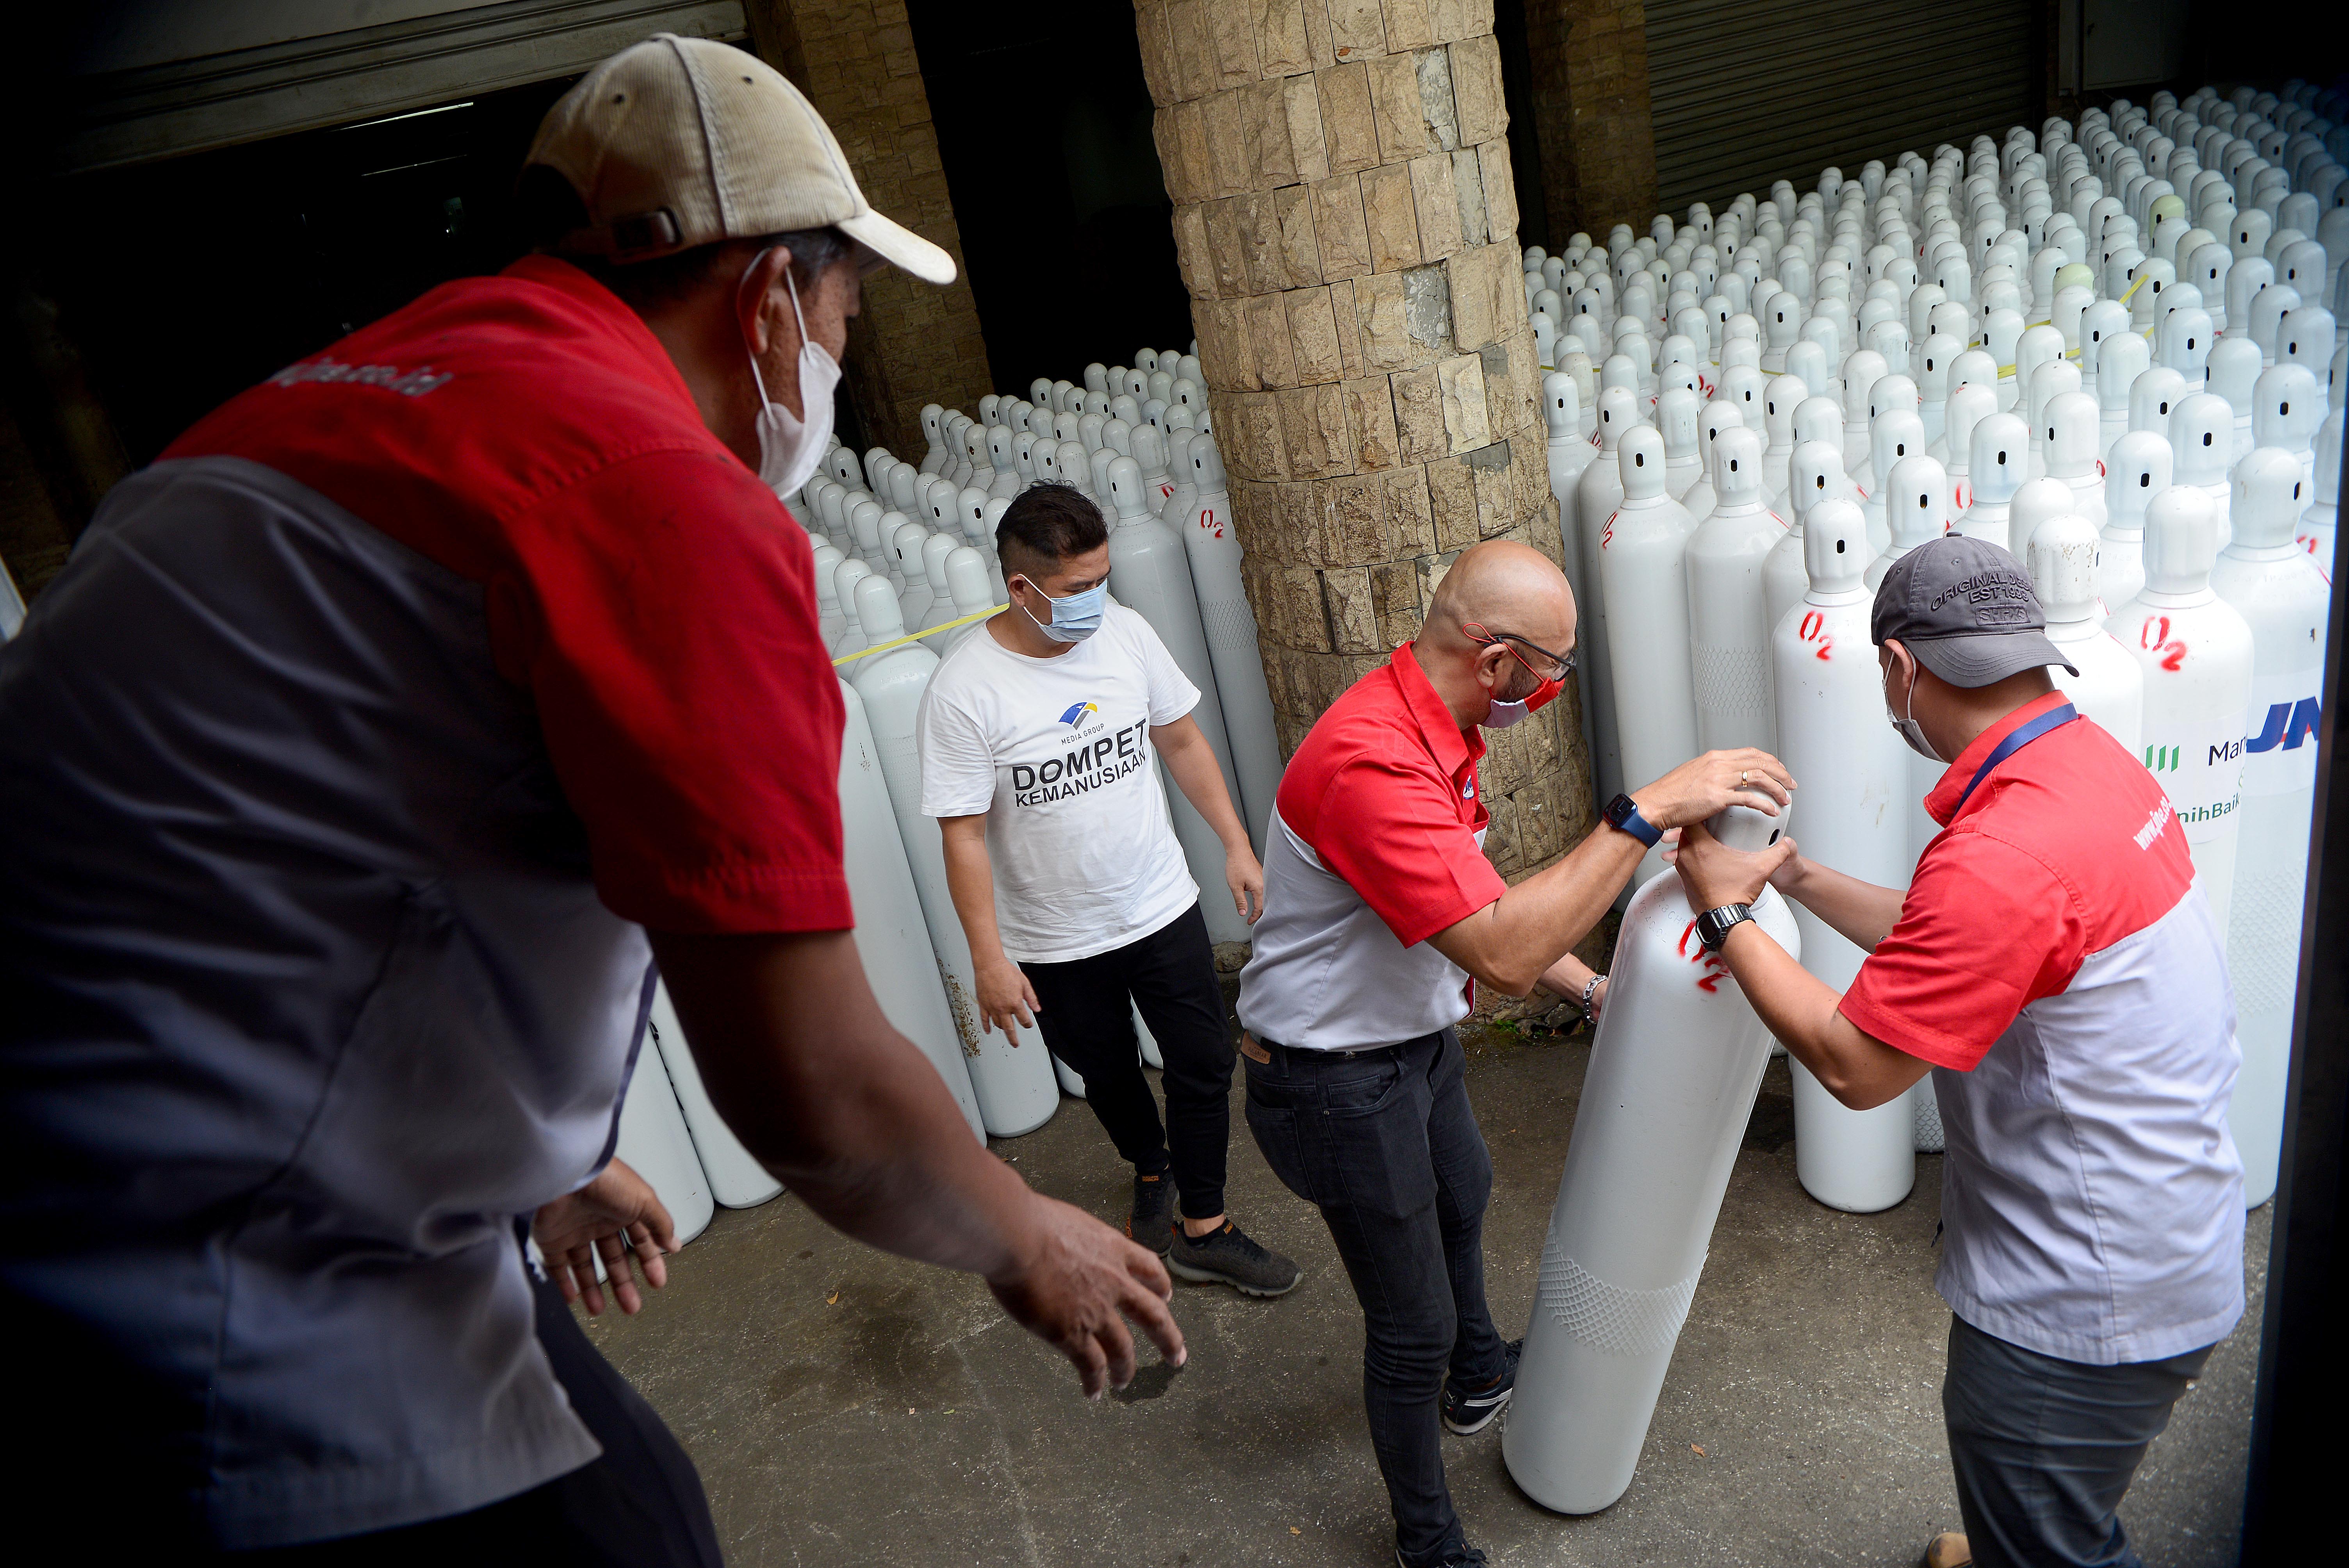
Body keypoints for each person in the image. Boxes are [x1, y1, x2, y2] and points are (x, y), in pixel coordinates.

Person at [0, 36, 1180, 1557]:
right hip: (211, 1276)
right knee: (634, 1533)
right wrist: (1025, 1231)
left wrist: (539, 1156)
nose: (834, 351)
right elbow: (809, 1085)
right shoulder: (648, 489)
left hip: (106, 1166)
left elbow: (290, 854)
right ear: (763, 297)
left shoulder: (305, 416)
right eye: (842, 310)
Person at [1670, 535, 2244, 1568]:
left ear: (1900, 668)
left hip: (2081, 1299)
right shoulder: (2082, 768)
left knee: (2049, 1535)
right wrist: (1796, 884)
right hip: (2171, 1231)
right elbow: (1963, 940)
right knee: (2043, 1516)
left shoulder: (2002, 855)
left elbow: (1856, 1066)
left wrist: (1726, 920)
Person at [1234, 538, 1793, 1568]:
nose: (1551, 690)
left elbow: (1472, 910)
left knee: (1466, 1193)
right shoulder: (1373, 760)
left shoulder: (1430, 725)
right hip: (1331, 1083)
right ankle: (1428, 1540)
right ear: (1497, 662)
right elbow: (1499, 948)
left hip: (1404, 1046)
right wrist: (1641, 814)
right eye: (1553, 669)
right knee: (1409, 1326)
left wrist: (1597, 994)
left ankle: (1481, 1372)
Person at [918, 483, 1300, 1295]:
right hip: (1054, 939)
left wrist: (1235, 843)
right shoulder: (964, 690)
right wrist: (987, 958)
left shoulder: (1124, 632)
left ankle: (1204, 1222)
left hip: (1158, 904)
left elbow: (1181, 738)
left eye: (1102, 579)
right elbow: (962, 833)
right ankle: (1150, 1163)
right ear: (1021, 589)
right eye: (1075, 589)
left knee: (1202, 1060)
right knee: (1111, 1074)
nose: (1097, 600)